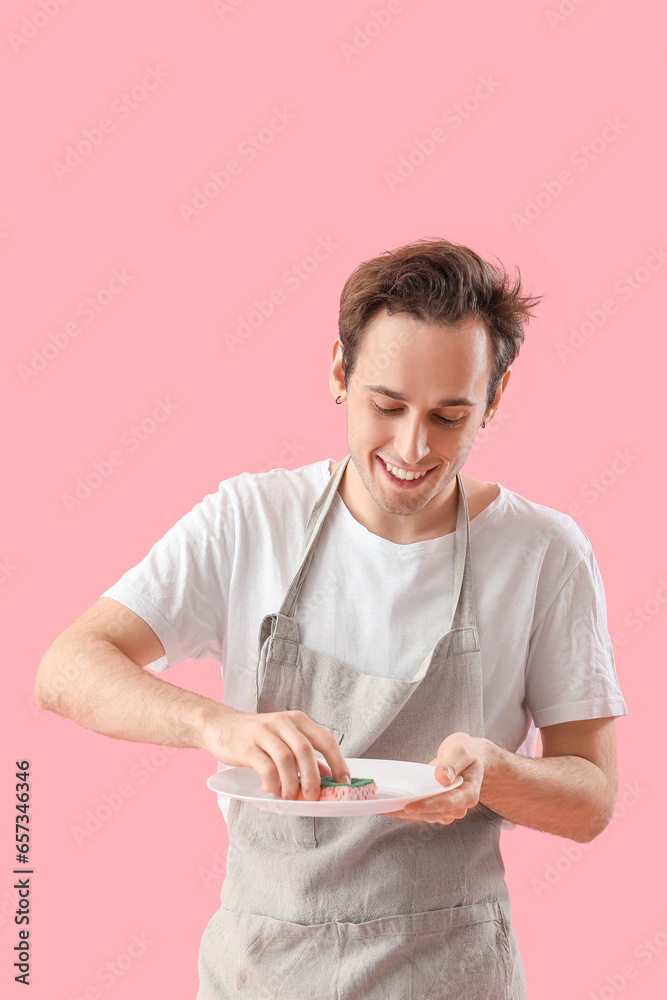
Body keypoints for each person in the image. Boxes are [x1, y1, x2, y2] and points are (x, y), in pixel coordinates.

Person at [35, 238, 627, 999]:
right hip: (261, 970)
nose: (413, 447)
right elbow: (66, 667)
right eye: (387, 406)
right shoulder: (249, 520)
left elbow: (591, 802)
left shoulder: (544, 553)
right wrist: (221, 727)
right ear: (339, 374)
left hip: (450, 974)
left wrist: (494, 774)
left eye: (450, 416)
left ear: (496, 396)